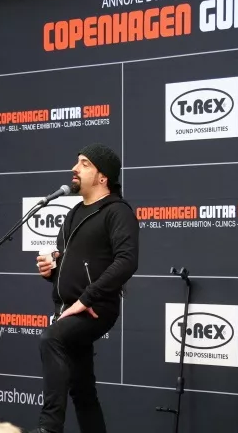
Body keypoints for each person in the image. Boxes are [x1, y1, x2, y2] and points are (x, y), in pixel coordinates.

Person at [33, 143, 140, 433]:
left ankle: (49, 428)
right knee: (83, 391)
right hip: (68, 308)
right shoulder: (74, 213)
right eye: (77, 161)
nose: (74, 168)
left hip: (95, 308)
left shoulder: (118, 212)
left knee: (51, 338)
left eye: (84, 163)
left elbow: (127, 261)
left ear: (103, 176)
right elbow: (67, 263)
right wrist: (50, 270)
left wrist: (87, 298)